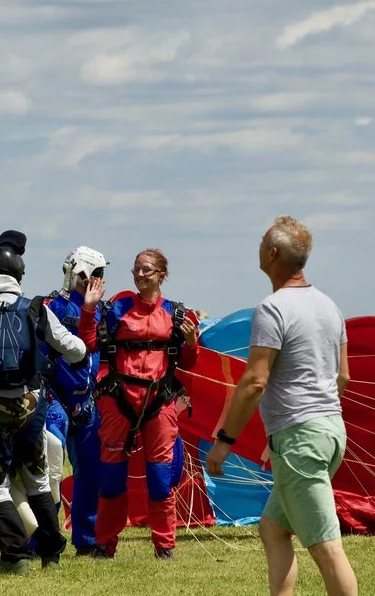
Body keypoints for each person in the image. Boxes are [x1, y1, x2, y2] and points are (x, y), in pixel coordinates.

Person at [205, 216, 358, 596]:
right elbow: (343, 378)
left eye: (261, 242)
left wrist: (225, 440)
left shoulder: (272, 309)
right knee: (273, 527)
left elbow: (255, 381)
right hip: (330, 431)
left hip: (300, 439)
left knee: (325, 546)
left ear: (272, 253)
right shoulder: (329, 306)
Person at [0, 234, 87, 575]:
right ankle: (51, 552)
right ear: (18, 274)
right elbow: (76, 349)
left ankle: (15, 557)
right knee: (38, 481)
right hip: (31, 407)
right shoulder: (36, 310)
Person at [79, 248, 199, 560]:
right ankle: (105, 544)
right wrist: (89, 310)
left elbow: (188, 361)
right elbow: (90, 343)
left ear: (162, 275)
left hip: (159, 402)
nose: (140, 274)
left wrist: (190, 342)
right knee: (111, 478)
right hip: (118, 400)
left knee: (160, 479)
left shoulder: (176, 314)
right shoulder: (117, 308)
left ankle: (164, 546)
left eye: (147, 269)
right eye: (136, 269)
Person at [39, 246, 108, 555]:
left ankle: (87, 540)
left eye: (100, 275)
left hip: (88, 403)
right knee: (48, 473)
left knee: (90, 473)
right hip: (54, 400)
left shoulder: (102, 313)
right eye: (91, 274)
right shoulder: (50, 308)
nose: (95, 280)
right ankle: (42, 539)